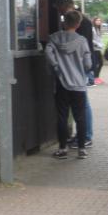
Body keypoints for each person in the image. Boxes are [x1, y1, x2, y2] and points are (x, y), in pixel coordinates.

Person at [45, 10, 92, 159]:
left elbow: (47, 52)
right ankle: (82, 149)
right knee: (80, 116)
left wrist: (56, 66)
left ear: (64, 22)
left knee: (62, 116)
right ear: (78, 24)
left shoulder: (54, 38)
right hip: (78, 84)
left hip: (61, 83)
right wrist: (82, 69)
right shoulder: (82, 41)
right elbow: (88, 63)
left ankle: (62, 148)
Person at [56, 0, 94, 148]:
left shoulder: (79, 22)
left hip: (76, 67)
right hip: (81, 67)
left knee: (83, 103)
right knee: (81, 103)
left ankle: (85, 136)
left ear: (63, 7)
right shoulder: (84, 20)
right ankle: (82, 136)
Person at [91, 17, 104, 84]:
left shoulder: (99, 29)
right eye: (97, 20)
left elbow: (100, 38)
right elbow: (91, 39)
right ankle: (95, 78)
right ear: (94, 21)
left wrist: (101, 44)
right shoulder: (93, 29)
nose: (99, 21)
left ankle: (97, 77)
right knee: (95, 63)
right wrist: (97, 44)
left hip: (99, 49)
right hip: (94, 49)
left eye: (99, 20)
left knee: (101, 63)